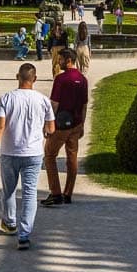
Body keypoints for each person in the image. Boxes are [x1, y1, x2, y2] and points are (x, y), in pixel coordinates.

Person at [0, 63, 55, 250]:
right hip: (33, 154)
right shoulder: (43, 100)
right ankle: (24, 235)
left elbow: (0, 126)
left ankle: (9, 223)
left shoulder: (7, 98)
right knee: (29, 193)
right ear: (35, 79)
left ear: (18, 77)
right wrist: (44, 132)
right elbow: (51, 128)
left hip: (10, 152)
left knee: (8, 190)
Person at [42, 49, 88, 208]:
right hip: (76, 124)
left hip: (61, 125)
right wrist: (82, 124)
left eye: (60, 59)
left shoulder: (60, 79)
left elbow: (54, 104)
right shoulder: (82, 79)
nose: (58, 62)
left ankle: (55, 193)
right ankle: (68, 194)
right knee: (72, 158)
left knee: (49, 155)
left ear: (68, 60)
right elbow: (84, 105)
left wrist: (48, 123)